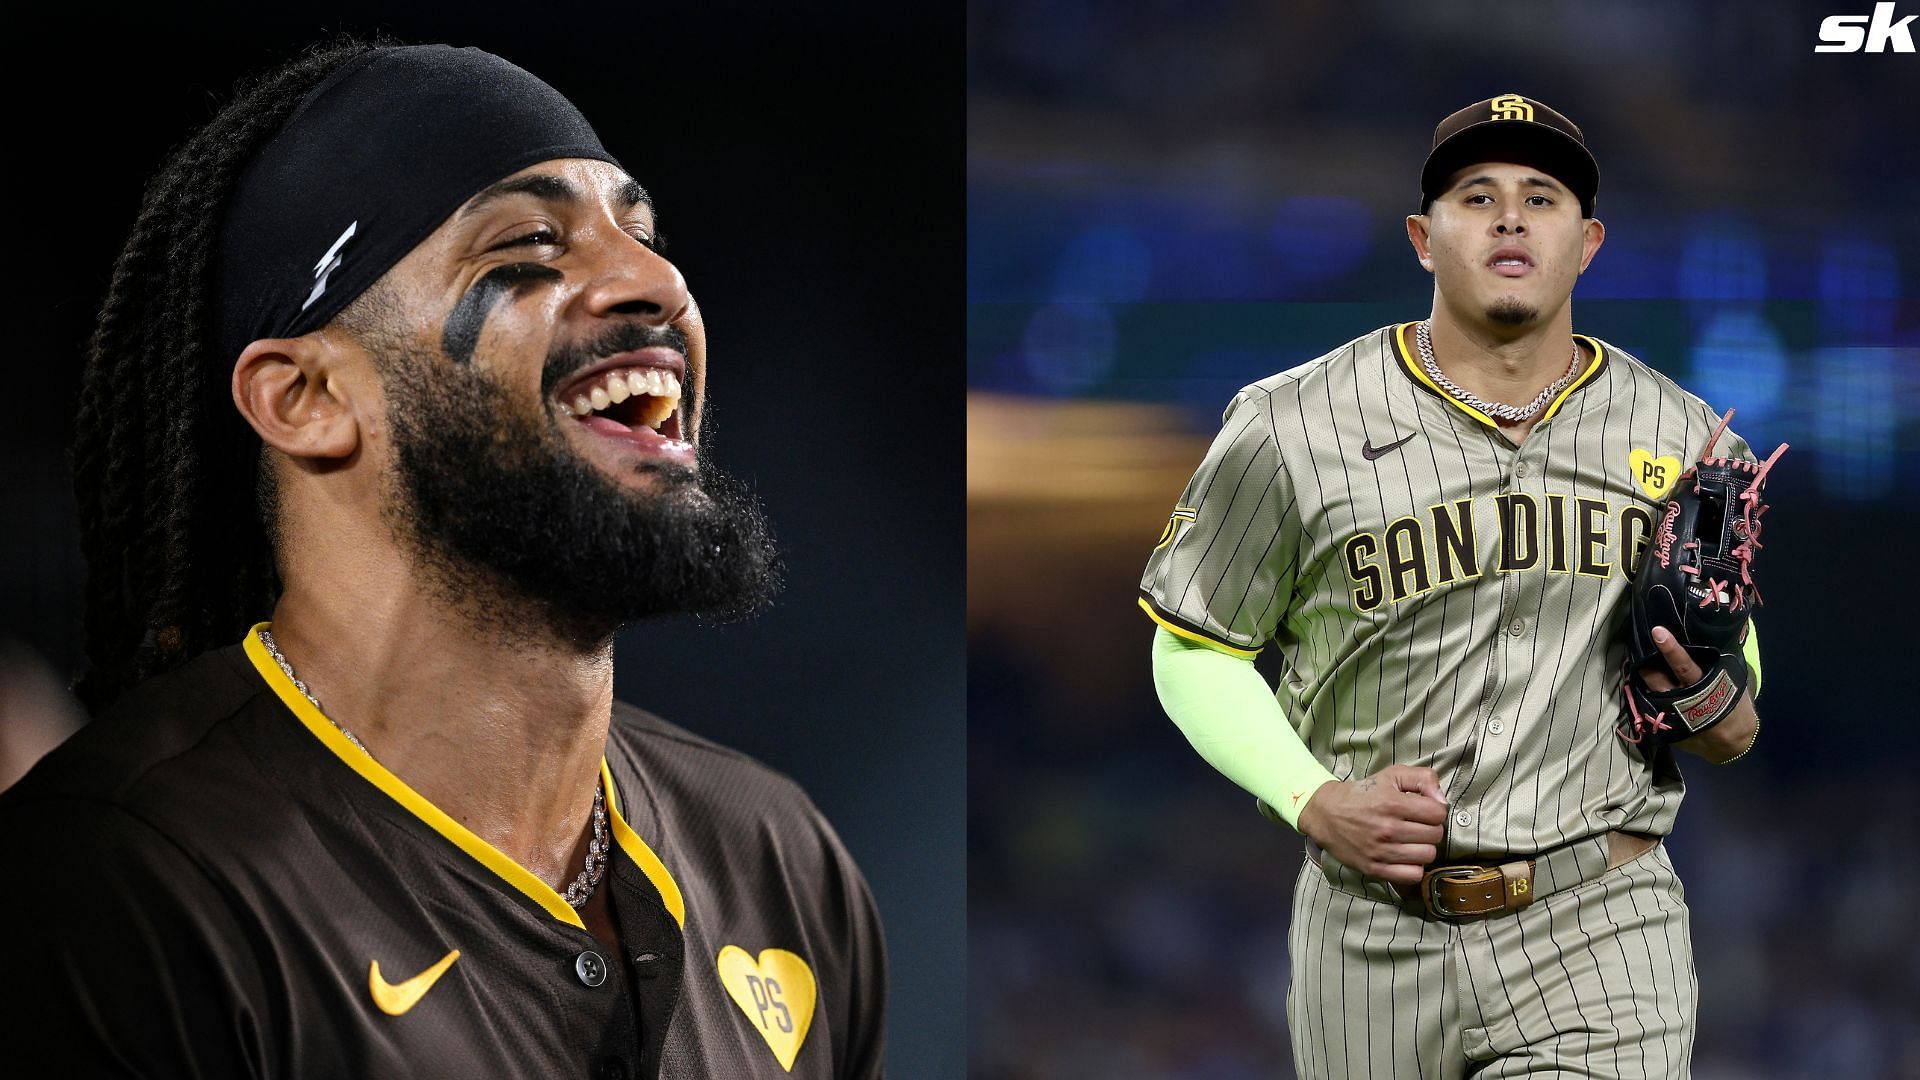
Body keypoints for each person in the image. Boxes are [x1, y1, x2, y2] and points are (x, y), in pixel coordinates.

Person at [0, 39, 884, 1079]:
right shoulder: (113, 888)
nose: (657, 283)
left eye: (645, 235)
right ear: (308, 398)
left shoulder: (777, 855)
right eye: (530, 244)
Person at [1138, 94, 1765, 1077]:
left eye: (1541, 197)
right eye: (1478, 196)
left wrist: (1718, 703)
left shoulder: (1680, 432)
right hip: (1370, 935)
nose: (1511, 216)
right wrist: (1313, 798)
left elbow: (1732, 675)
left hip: (1596, 917)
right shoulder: (1290, 424)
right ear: (1424, 240)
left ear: (1588, 242)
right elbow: (1193, 650)